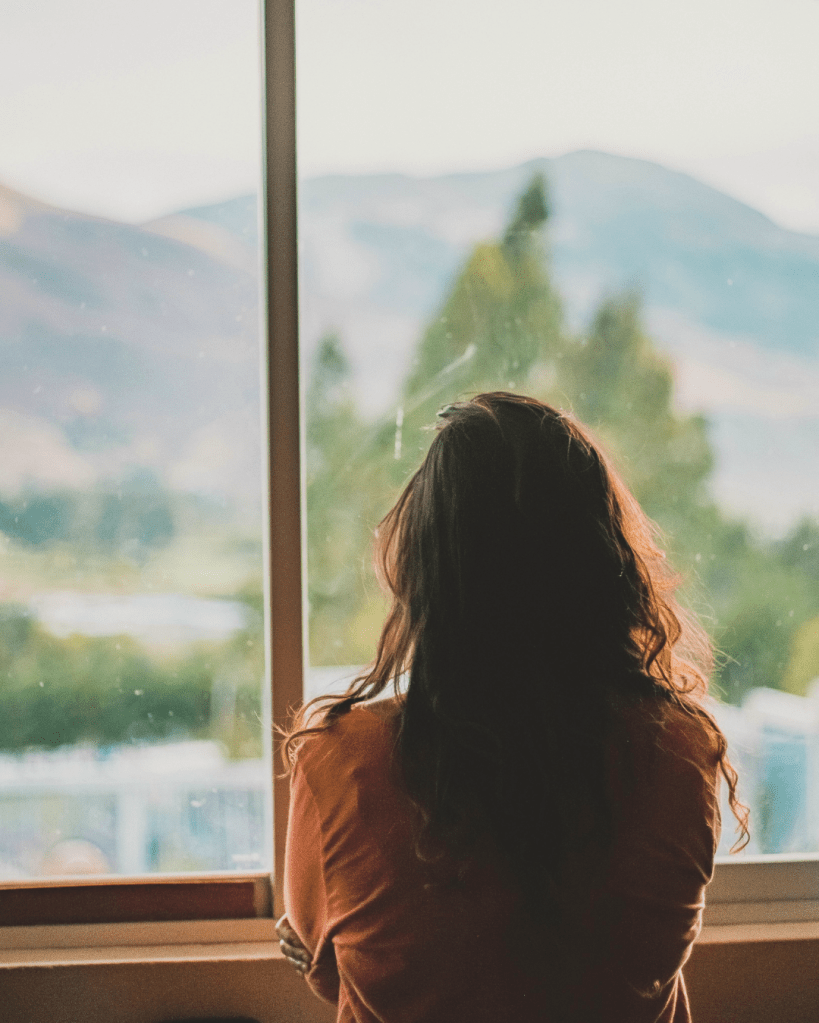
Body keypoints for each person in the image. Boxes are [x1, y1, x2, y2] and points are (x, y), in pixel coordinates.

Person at [277, 392, 748, 1022]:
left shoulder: (341, 763)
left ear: (428, 569)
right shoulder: (684, 751)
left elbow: (335, 971)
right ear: (604, 562)